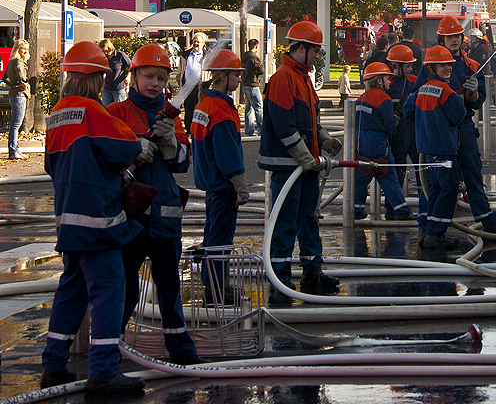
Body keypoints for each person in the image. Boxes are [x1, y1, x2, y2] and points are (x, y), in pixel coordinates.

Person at [41, 41, 150, 395]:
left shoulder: (57, 114)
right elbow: (125, 147)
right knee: (109, 290)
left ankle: (53, 365)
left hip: (68, 220)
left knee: (71, 291)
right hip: (98, 220)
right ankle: (103, 371)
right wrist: (141, 145)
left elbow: (50, 165)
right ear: (99, 78)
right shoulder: (92, 111)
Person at [108, 44, 203, 367]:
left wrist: (170, 143)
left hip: (164, 217)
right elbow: (103, 162)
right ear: (134, 77)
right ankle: (109, 347)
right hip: (130, 216)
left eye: (161, 79)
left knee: (169, 286)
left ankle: (179, 345)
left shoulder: (170, 118)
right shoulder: (116, 114)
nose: (155, 84)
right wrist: (132, 151)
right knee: (124, 287)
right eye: (149, 76)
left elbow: (181, 164)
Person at [259, 20, 343, 306]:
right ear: (302, 48)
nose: (318, 55)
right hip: (288, 166)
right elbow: (285, 127)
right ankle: (280, 277)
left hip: (303, 166)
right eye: (316, 50)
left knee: (309, 218)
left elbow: (308, 121)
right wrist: (307, 158)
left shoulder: (303, 76)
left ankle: (312, 272)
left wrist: (324, 138)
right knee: (284, 221)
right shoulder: (283, 77)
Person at [411, 16, 496, 235]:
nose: (454, 41)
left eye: (457, 36)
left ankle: (488, 222)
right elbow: (418, 97)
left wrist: (472, 93)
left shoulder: (473, 66)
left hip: (462, 125)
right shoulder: (430, 65)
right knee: (433, 180)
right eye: (449, 37)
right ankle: (426, 225)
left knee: (472, 173)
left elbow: (479, 100)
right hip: (439, 129)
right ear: (442, 39)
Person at [191, 49, 248, 305]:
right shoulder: (222, 110)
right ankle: (215, 291)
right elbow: (227, 153)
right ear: (223, 76)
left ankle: (212, 286)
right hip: (223, 186)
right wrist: (240, 184)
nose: (238, 80)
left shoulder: (203, 104)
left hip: (210, 184)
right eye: (236, 75)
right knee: (220, 239)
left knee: (213, 234)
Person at [402, 45, 468, 250]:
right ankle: (435, 234)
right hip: (444, 150)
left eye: (449, 64)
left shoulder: (421, 90)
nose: (447, 68)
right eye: (442, 65)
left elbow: (407, 111)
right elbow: (458, 116)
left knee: (434, 190)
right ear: (431, 68)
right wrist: (462, 97)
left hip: (427, 151)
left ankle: (429, 229)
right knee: (448, 190)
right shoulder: (447, 92)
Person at [353, 62, 411, 221]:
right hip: (377, 141)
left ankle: (356, 211)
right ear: (379, 81)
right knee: (387, 173)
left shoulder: (360, 98)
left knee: (361, 175)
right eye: (387, 78)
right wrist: (395, 122)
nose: (390, 82)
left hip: (360, 141)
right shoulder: (383, 99)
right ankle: (401, 210)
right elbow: (390, 126)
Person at [386, 45, 419, 195]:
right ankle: (393, 204)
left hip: (412, 127)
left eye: (411, 66)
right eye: (408, 66)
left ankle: (424, 199)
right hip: (397, 131)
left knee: (420, 165)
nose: (411, 69)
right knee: (398, 167)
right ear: (396, 65)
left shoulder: (414, 81)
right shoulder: (387, 83)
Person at [5, 40, 30, 160]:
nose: (25, 51)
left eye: (27, 49)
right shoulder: (19, 62)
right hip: (20, 96)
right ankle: (14, 151)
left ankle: (15, 150)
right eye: (23, 48)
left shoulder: (11, 62)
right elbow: (21, 74)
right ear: (17, 49)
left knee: (14, 124)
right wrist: (22, 83)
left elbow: (4, 77)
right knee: (16, 125)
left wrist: (12, 85)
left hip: (12, 95)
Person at [178, 32, 208, 133]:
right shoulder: (186, 55)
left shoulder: (206, 55)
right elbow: (181, 70)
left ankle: (198, 130)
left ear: (203, 43)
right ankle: (189, 130)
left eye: (198, 42)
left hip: (200, 87)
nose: (196, 44)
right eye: (194, 42)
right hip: (187, 86)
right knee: (188, 109)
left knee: (199, 109)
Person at [241, 38, 265, 136]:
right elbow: (261, 70)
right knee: (259, 108)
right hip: (253, 85)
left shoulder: (244, 56)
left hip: (245, 84)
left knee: (248, 108)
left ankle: (249, 130)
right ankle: (262, 130)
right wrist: (257, 71)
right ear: (256, 46)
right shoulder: (254, 57)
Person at [97, 39, 131, 106]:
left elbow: (131, 65)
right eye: (104, 52)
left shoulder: (120, 55)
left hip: (118, 88)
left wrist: (128, 76)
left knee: (118, 109)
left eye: (107, 50)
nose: (106, 53)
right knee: (106, 110)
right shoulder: (104, 58)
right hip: (106, 88)